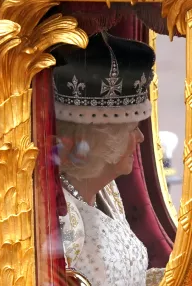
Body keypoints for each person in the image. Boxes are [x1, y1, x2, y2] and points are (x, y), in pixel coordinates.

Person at [52, 32, 165, 285]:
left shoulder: (108, 193)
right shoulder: (61, 214)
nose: (140, 139)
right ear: (100, 139)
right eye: (131, 129)